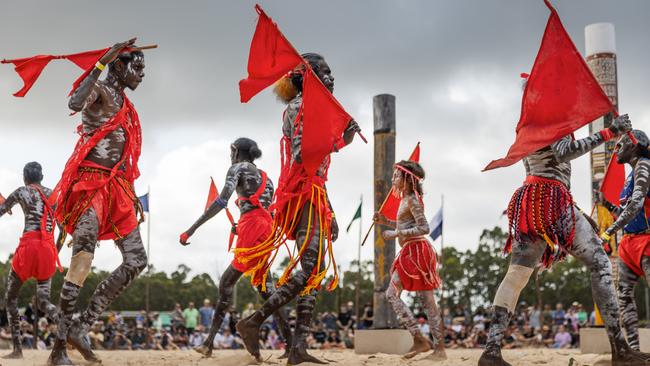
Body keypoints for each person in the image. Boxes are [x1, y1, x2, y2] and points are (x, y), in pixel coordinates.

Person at [478, 114, 650, 365]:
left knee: (516, 275)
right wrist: (609, 131)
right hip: (553, 200)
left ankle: (491, 351)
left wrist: (578, 212)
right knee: (600, 264)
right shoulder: (551, 114)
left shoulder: (530, 121)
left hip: (530, 199)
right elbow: (562, 152)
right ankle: (620, 349)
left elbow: (548, 165)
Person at [235, 53, 359, 365]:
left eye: (332, 73)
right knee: (312, 267)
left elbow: (318, 170)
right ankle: (254, 321)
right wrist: (341, 140)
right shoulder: (300, 106)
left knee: (315, 270)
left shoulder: (312, 108)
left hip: (313, 192)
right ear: (308, 76)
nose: (332, 79)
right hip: (302, 192)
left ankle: (297, 349)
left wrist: (328, 210)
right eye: (325, 73)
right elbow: (305, 154)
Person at [47, 38, 149, 366]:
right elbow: (74, 103)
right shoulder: (102, 89)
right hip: (90, 184)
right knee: (82, 260)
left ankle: (82, 325)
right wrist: (102, 60)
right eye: (137, 67)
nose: (142, 75)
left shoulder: (123, 100)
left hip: (117, 188)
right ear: (119, 65)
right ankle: (58, 349)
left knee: (136, 260)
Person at [180, 138, 292, 358]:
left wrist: (192, 229)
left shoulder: (237, 168)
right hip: (267, 231)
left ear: (234, 151)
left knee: (226, 283)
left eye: (230, 151)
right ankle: (290, 344)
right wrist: (241, 228)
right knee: (267, 291)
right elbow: (264, 210)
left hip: (252, 227)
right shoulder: (267, 178)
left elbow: (222, 201)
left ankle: (208, 343)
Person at [375, 160, 446, 360]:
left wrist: (396, 232)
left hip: (417, 252)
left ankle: (436, 348)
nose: (393, 178)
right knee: (394, 295)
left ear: (407, 179)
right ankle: (419, 338)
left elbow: (425, 228)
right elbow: (406, 223)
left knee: (426, 302)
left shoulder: (413, 200)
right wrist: (384, 222)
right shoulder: (406, 200)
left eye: (397, 175)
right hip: (410, 252)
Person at [0, 162, 62, 359]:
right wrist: (54, 251)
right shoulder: (53, 195)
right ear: (41, 177)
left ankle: (18, 350)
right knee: (44, 302)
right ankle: (69, 323)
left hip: (28, 248)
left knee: (11, 298)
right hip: (48, 250)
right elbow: (64, 229)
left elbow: (1, 210)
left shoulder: (22, 191)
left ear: (25, 176)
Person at [601, 130, 650, 351]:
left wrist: (610, 230)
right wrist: (609, 206)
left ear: (635, 144)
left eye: (620, 145)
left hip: (647, 241)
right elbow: (627, 208)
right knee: (624, 298)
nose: (616, 150)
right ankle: (634, 351)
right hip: (629, 244)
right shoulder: (630, 174)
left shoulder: (644, 165)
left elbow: (638, 202)